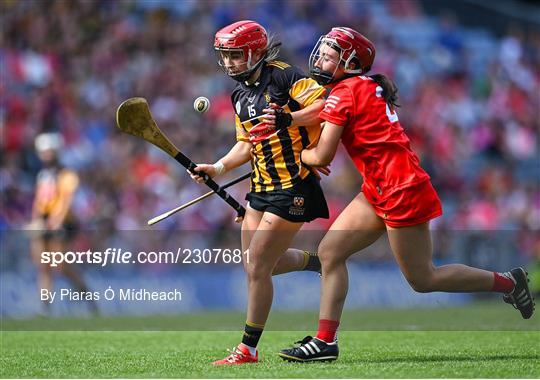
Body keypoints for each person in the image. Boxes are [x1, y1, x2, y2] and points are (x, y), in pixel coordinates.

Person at [278, 27, 535, 362]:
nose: (320, 61)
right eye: (322, 54)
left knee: (423, 278)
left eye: (329, 56)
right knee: (330, 252)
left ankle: (509, 283)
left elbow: (323, 156)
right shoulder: (360, 86)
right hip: (379, 186)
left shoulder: (344, 93)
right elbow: (319, 116)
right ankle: (326, 341)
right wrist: (287, 124)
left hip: (401, 188)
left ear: (351, 62)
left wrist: (299, 156)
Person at [189, 20, 329, 365]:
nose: (229, 63)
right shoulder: (239, 95)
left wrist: (289, 120)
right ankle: (318, 262)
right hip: (260, 188)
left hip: (293, 186)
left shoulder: (284, 76)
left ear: (256, 52)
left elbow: (326, 106)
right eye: (224, 56)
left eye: (236, 55)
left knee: (256, 266)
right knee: (259, 264)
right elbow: (245, 144)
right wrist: (218, 168)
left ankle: (248, 349)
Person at [29, 132, 97, 315]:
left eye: (49, 151)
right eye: (43, 152)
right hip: (44, 223)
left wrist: (56, 221)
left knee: (61, 266)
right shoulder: (43, 175)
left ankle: (87, 297)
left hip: (61, 224)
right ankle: (44, 307)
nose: (46, 155)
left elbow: (65, 201)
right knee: (43, 266)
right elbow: (39, 200)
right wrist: (36, 219)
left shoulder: (66, 174)